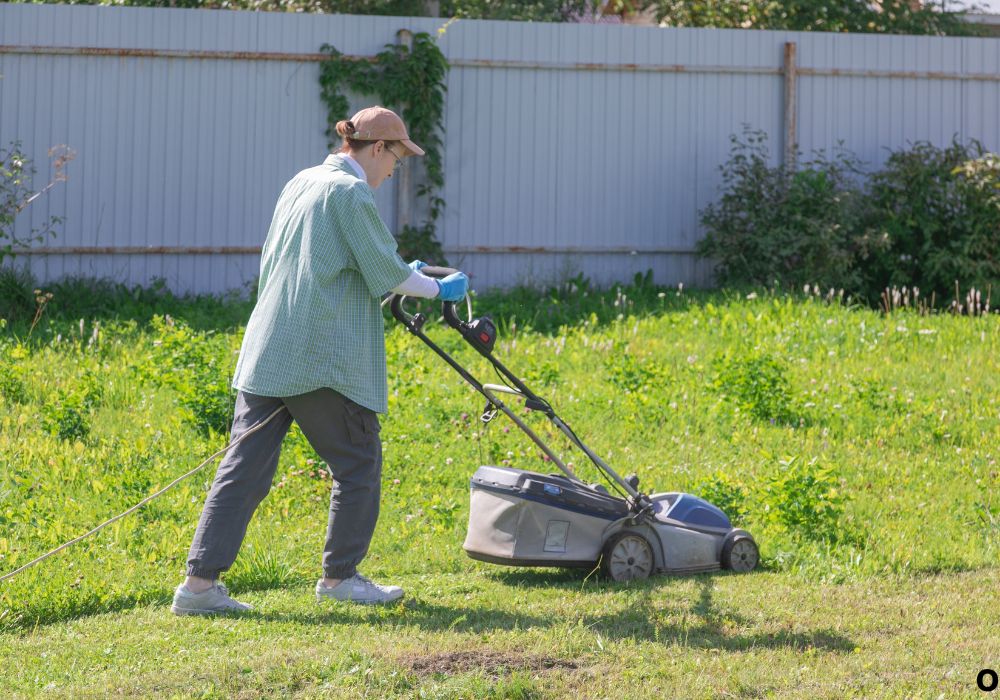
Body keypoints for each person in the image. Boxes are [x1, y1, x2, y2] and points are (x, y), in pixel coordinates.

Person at [170, 106, 468, 615]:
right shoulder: (350, 193)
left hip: (270, 346)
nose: (396, 170)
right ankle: (340, 579)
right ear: (377, 149)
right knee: (358, 463)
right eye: (397, 157)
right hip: (319, 355)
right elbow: (386, 271)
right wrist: (438, 286)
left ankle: (197, 588)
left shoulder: (304, 180)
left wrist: (402, 270)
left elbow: (336, 257)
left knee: (241, 470)